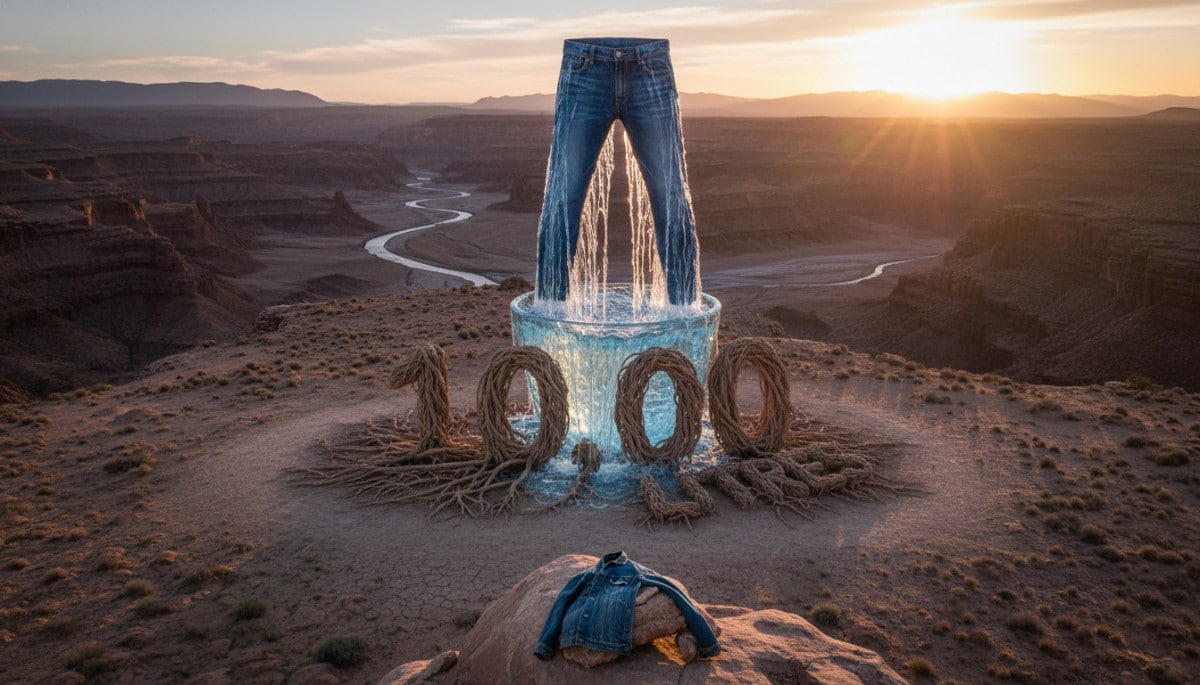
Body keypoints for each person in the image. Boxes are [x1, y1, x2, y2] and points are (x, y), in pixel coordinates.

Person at [535, 37, 700, 307]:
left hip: (648, 69)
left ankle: (683, 314)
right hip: (584, 70)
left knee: (671, 196)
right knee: (562, 198)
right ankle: (550, 316)